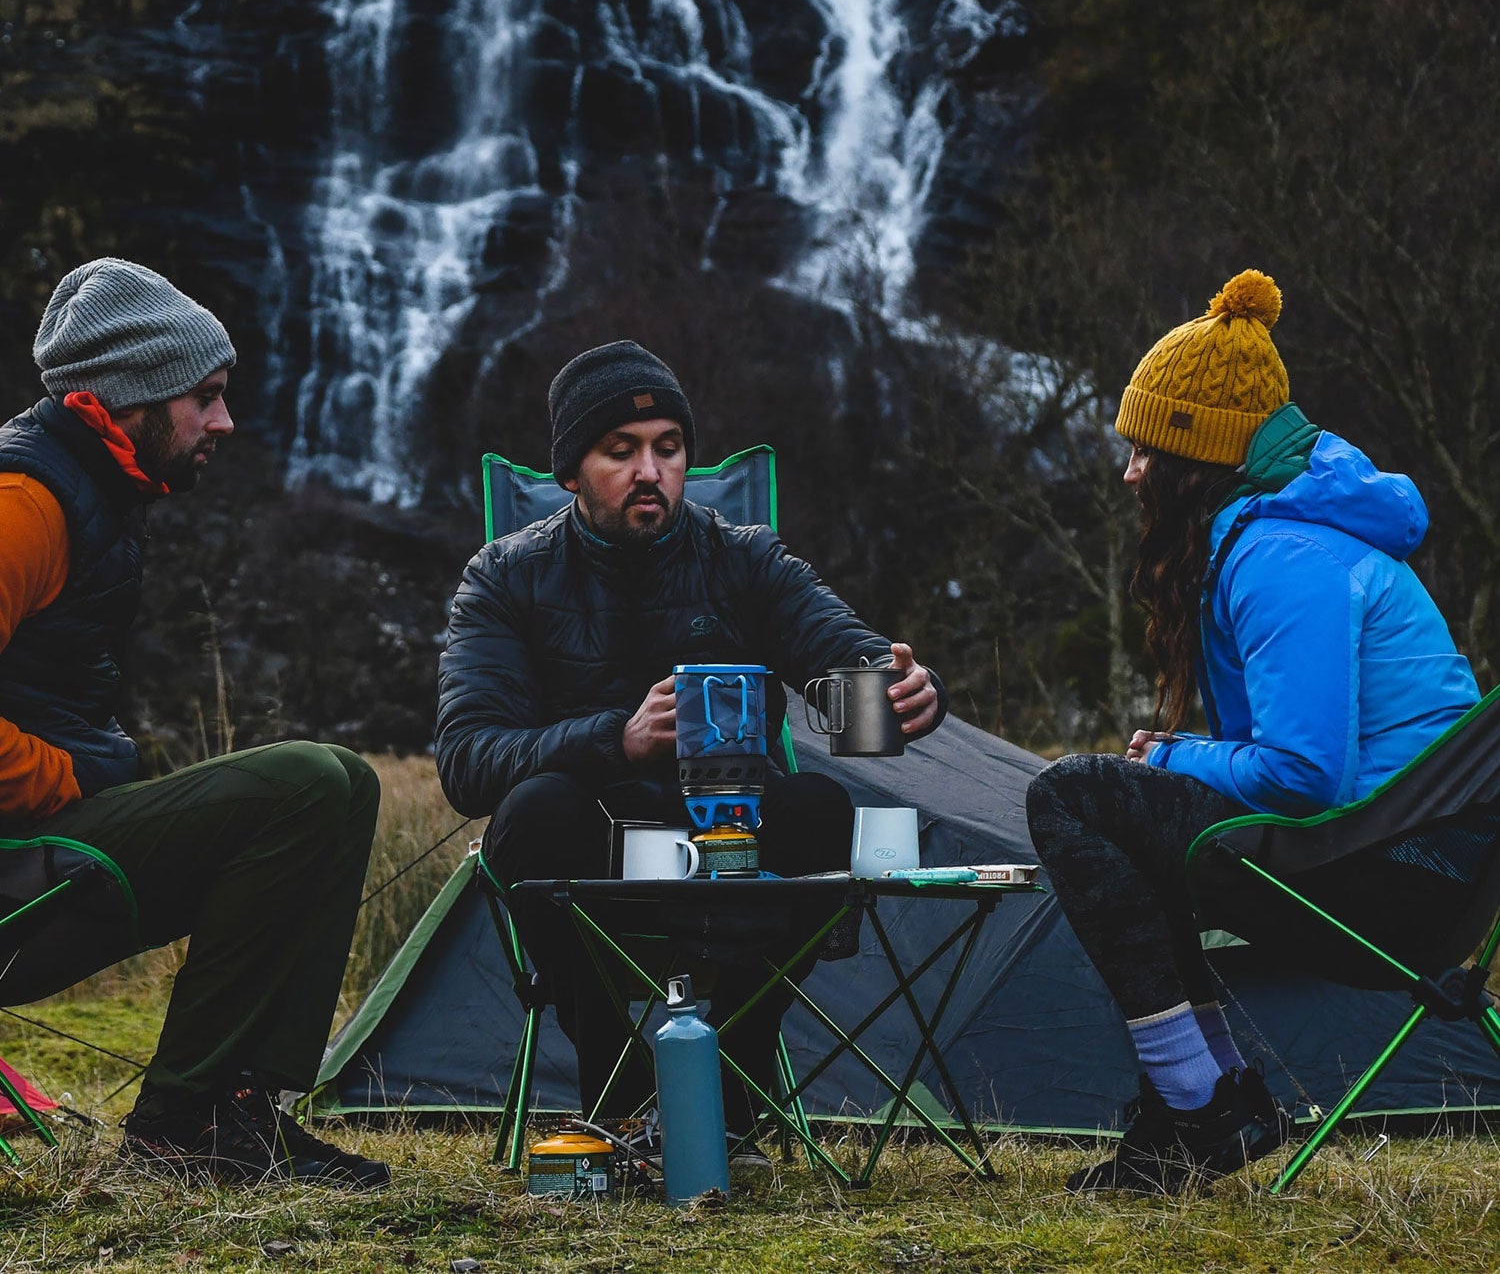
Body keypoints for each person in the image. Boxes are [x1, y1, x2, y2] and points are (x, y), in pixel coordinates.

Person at [1026, 270, 1479, 1195]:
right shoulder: (1284, 535)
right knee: (1125, 812)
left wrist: (1172, 755)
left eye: (1146, 449)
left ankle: (1200, 1105)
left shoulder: (1282, 558)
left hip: (1396, 878)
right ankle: (1203, 1100)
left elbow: (1305, 773)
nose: (1130, 472)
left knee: (1073, 794)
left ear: (1200, 459)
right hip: (1413, 862)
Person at [436, 339, 946, 1149]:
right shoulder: (506, 577)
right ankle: (619, 1077)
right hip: (591, 854)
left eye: (668, 450)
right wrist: (621, 740)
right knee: (532, 809)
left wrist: (901, 690)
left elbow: (842, 660)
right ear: (571, 472)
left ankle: (735, 1071)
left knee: (818, 804)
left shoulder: (743, 558)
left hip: (730, 852)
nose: (650, 471)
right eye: (621, 452)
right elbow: (467, 762)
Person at [0, 258, 389, 1189]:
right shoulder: (27, 502)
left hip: (41, 855)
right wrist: (58, 778)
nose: (224, 421)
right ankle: (180, 1132)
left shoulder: (91, 489)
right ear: (132, 397)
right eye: (205, 398)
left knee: (345, 779)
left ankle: (236, 1112)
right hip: (22, 858)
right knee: (297, 785)